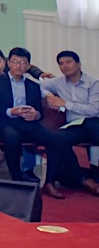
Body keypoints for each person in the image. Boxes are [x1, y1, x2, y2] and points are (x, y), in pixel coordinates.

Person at [0, 47, 72, 196]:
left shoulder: (33, 85)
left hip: (27, 124)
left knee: (55, 139)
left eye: (23, 62)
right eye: (15, 62)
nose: (19, 66)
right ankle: (17, 179)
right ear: (8, 63)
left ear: (28, 66)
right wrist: (11, 111)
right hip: (4, 123)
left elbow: (39, 112)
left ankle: (50, 182)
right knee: (12, 137)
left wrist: (35, 114)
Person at [39, 51, 99, 195]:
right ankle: (51, 183)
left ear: (78, 64)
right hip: (75, 125)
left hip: (94, 122)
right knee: (55, 138)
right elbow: (36, 85)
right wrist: (49, 95)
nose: (65, 66)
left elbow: (94, 110)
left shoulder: (93, 83)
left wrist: (65, 104)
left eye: (68, 62)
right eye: (61, 63)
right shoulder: (58, 82)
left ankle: (88, 178)